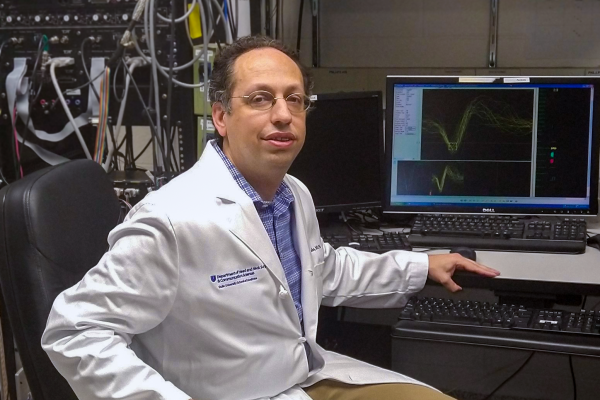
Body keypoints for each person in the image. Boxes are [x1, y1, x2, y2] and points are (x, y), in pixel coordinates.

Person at [42, 35, 500, 400]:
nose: (283, 114)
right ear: (221, 116)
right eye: (261, 99)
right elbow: (75, 330)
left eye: (295, 99)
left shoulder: (292, 195)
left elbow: (322, 269)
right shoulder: (172, 219)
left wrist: (422, 265)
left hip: (303, 375)